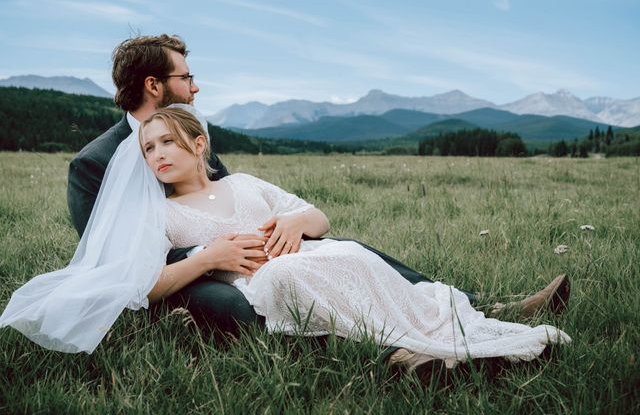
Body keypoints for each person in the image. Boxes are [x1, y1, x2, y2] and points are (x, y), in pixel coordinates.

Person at [0, 34, 569, 371]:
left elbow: (227, 195)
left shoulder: (194, 138)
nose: (195, 87)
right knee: (241, 300)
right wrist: (211, 253)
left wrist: (290, 225)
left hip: (250, 249)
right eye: (186, 77)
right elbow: (109, 261)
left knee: (342, 250)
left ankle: (472, 309)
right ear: (154, 85)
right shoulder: (94, 163)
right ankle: (381, 352)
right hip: (182, 273)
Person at [138, 106, 571, 369]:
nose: (157, 154)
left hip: (318, 256)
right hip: (264, 284)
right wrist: (207, 257)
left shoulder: (245, 183)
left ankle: (458, 321)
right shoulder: (163, 214)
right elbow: (146, 285)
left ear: (198, 145)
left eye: (166, 143)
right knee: (286, 276)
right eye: (148, 149)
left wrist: (295, 222)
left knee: (350, 254)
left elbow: (319, 218)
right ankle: (405, 354)